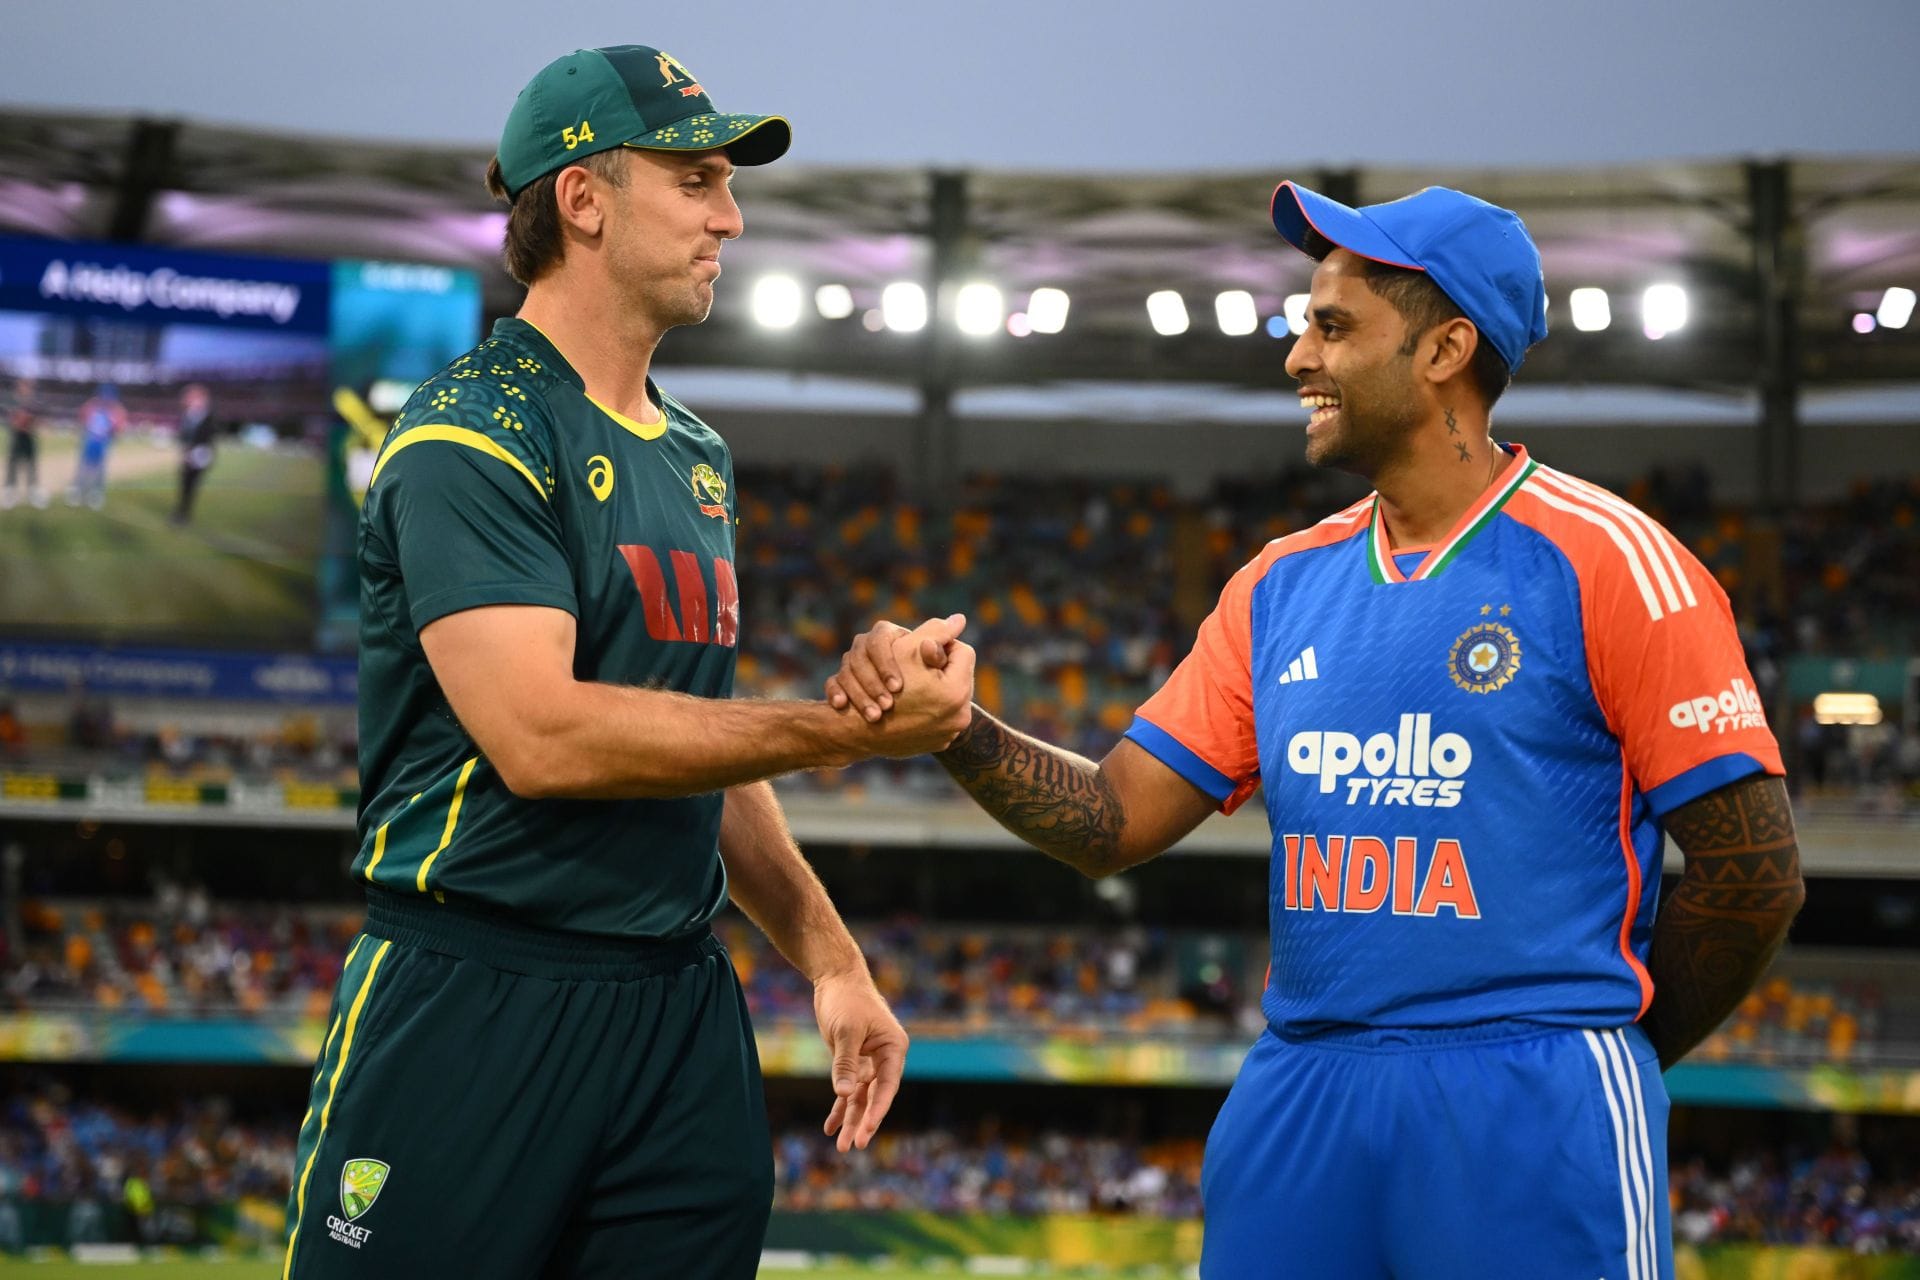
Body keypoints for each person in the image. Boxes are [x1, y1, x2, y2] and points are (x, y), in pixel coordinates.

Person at [830, 184, 1805, 1279]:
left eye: (1333, 327)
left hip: (1531, 1093)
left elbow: (1754, 871)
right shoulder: (1279, 586)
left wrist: (1605, 1054)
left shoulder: (1615, 563)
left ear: (1446, 349)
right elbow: (1111, 817)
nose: (1297, 358)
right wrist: (959, 728)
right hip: (1302, 1089)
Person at [281, 46, 975, 1280]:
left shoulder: (695, 454)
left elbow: (692, 743)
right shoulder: (469, 429)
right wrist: (848, 729)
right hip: (476, 990)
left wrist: (828, 955)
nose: (731, 214)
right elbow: (543, 738)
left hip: (676, 1012)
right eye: (696, 177)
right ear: (584, 199)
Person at [68, 383, 124, 510]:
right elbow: (82, 418)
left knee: (100, 471)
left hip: (103, 443)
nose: (106, 400)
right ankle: (77, 491)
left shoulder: (115, 411)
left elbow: (118, 427)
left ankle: (95, 494)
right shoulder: (92, 407)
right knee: (83, 468)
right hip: (90, 441)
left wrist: (113, 430)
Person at [171, 383, 215, 525]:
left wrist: (194, 451)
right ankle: (181, 512)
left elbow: (208, 438)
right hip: (187, 456)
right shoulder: (188, 416)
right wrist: (185, 450)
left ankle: (184, 514)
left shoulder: (207, 416)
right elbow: (183, 436)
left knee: (191, 485)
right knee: (184, 484)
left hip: (200, 456)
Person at [1, 377, 44, 510]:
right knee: (13, 464)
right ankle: (10, 492)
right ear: (19, 387)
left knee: (31, 464)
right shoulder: (12, 401)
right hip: (17, 438)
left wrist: (31, 424)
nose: (25, 389)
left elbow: (38, 420)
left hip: (29, 438)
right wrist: (19, 424)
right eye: (23, 386)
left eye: (28, 386)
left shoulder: (34, 402)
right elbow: (11, 420)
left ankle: (33, 491)